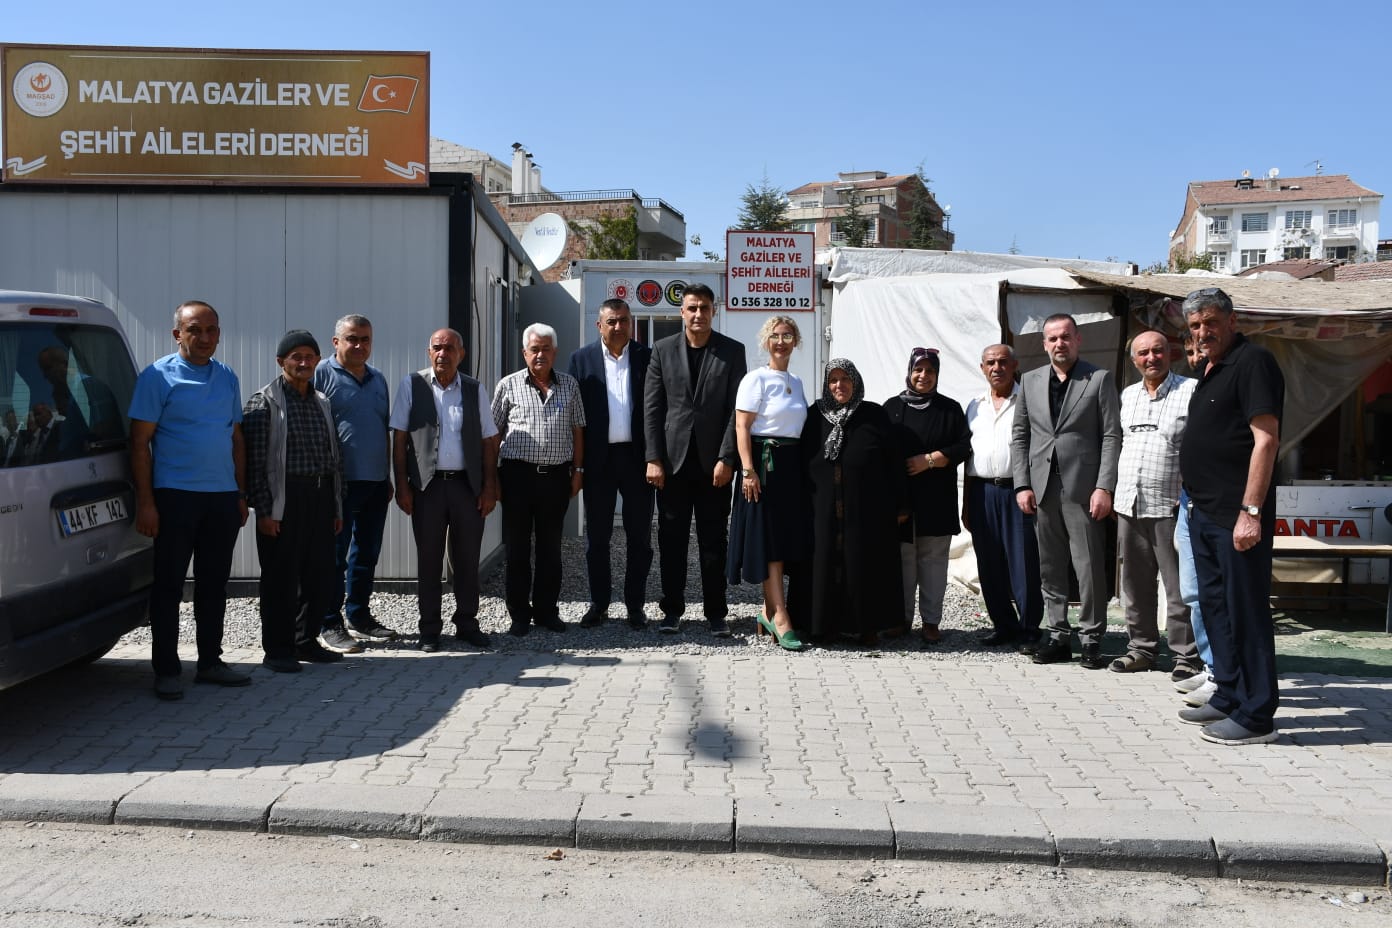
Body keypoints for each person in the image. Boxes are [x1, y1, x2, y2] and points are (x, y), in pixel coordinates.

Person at [1177, 287, 1284, 745]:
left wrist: (1251, 512)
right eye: (1195, 326)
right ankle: (1230, 694)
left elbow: (1266, 440)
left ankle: (1257, 715)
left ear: (1232, 320)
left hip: (1235, 516)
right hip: (1204, 513)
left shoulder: (1254, 363)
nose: (1203, 332)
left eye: (1210, 322)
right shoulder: (1209, 371)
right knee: (1216, 608)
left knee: (1246, 613)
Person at [129, 300, 251, 700]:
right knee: (168, 586)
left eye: (211, 330)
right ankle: (166, 669)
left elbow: (235, 439)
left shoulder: (227, 377)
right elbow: (140, 443)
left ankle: (211, 663)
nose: (204, 338)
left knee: (214, 584)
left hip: (220, 498)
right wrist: (146, 502)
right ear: (177, 333)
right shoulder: (157, 377)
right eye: (194, 330)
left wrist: (240, 493)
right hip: (175, 497)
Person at [1011, 313, 1122, 669]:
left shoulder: (1099, 379)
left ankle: (1091, 639)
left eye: (1066, 337)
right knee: (1050, 566)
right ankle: (1057, 635)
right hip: (1042, 487)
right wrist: (1022, 483)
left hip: (1083, 488)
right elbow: (1021, 436)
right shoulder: (1029, 381)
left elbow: (1110, 435)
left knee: (1088, 566)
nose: (1060, 343)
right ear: (1044, 344)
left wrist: (1104, 486)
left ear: (1078, 340)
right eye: (1053, 338)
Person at [643, 283, 747, 636]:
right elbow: (653, 408)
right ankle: (671, 611)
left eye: (704, 307)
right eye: (692, 308)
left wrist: (727, 457)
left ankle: (716, 613)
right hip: (671, 465)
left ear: (713, 311)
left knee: (713, 541)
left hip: (713, 465)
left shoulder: (732, 351)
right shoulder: (662, 350)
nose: (698, 314)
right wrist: (653, 457)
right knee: (671, 541)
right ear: (681, 312)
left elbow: (737, 410)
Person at [391, 328, 499, 652]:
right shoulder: (412, 385)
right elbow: (399, 440)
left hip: (467, 487)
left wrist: (489, 486)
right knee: (429, 560)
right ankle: (429, 630)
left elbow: (488, 440)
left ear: (461, 354)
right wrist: (401, 486)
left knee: (467, 559)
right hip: (427, 488)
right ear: (429, 352)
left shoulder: (473, 388)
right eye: (437, 347)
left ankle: (466, 623)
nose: (443, 353)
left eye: (450, 348)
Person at [243, 330, 344, 672]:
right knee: (281, 580)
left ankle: (305, 640)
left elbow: (334, 458)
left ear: (318, 360)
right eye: (295, 357)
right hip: (283, 500)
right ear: (281, 362)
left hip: (319, 497)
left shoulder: (322, 402)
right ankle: (278, 649)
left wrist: (335, 507)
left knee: (319, 576)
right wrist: (264, 511)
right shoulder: (263, 403)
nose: (303, 363)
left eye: (309, 357)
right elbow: (254, 464)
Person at [792, 359, 906, 644]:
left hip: (867, 509)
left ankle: (865, 626)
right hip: (821, 508)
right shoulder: (814, 415)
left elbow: (893, 462)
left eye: (846, 379)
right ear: (826, 385)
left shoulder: (873, 415)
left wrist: (901, 504)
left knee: (864, 563)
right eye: (833, 380)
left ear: (855, 382)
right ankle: (820, 626)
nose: (839, 385)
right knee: (820, 563)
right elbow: (801, 461)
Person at [1111, 330, 1199, 677]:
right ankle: (1142, 649)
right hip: (1129, 503)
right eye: (1144, 353)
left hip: (1172, 504)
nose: (1151, 358)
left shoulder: (1189, 391)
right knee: (1134, 583)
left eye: (1158, 351)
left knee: (1177, 587)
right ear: (1134, 360)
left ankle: (1186, 657)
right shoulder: (1127, 395)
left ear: (1170, 353)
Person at [493, 322, 586, 637]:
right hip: (517, 476)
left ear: (555, 352)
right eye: (535, 349)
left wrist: (578, 471)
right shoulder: (508, 385)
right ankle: (519, 615)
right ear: (525, 352)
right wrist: (492, 477)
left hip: (556, 478)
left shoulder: (570, 385)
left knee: (550, 549)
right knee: (517, 549)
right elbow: (493, 433)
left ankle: (547, 611)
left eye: (546, 349)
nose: (540, 355)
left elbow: (578, 429)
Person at [566, 298, 654, 630]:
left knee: (640, 538)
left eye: (624, 321)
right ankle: (599, 603)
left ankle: (635, 606)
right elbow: (574, 415)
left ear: (631, 323)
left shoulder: (647, 357)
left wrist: (655, 458)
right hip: (598, 462)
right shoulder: (581, 359)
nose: (619, 327)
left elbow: (655, 411)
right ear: (599, 325)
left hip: (637, 460)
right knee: (598, 538)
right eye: (612, 321)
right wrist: (576, 466)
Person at [314, 314, 397, 654]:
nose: (359, 345)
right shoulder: (322, 373)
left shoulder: (378, 379)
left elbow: (383, 429)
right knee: (334, 556)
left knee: (366, 553)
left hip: (376, 481)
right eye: (352, 339)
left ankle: (359, 616)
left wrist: (388, 475)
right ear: (336, 342)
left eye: (365, 339)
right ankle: (329, 622)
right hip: (339, 484)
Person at [728, 316, 811, 650]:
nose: (781, 341)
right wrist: (748, 471)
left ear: (795, 342)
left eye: (787, 336)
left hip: (791, 469)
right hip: (764, 466)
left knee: (783, 540)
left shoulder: (798, 381)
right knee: (770, 543)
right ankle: (780, 616)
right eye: (775, 336)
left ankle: (766, 611)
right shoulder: (755, 379)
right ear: (766, 341)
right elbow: (742, 427)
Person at [884, 347, 971, 644]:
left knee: (933, 562)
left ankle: (931, 622)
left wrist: (931, 459)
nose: (923, 376)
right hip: (901, 499)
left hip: (936, 499)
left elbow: (963, 447)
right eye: (918, 370)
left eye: (930, 371)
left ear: (937, 374)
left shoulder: (950, 409)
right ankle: (901, 619)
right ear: (909, 371)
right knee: (902, 561)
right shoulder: (892, 408)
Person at [963, 345, 1044, 649]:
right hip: (982, 491)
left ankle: (1028, 628)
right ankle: (1003, 625)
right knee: (989, 563)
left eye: (1002, 362)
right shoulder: (975, 405)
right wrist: (966, 504)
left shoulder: (1030, 401)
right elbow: (969, 458)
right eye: (990, 363)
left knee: (1023, 562)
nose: (996, 368)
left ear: (1014, 365)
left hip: (1018, 491)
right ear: (982, 368)